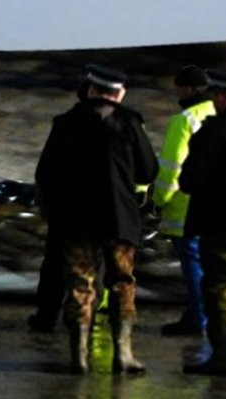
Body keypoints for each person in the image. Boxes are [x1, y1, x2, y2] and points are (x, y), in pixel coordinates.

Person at [35, 64, 157, 374]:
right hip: (119, 219)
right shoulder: (130, 123)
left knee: (80, 283)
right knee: (122, 282)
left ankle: (79, 357)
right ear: (119, 94)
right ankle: (123, 353)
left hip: (76, 220)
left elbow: (45, 173)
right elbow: (148, 170)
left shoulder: (65, 123)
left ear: (91, 90)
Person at [181, 70, 226, 376]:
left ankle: (221, 357)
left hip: (221, 222)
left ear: (222, 97)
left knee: (218, 286)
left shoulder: (212, 132)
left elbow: (189, 181)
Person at [155, 65, 216, 337]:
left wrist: (159, 199)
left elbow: (171, 167)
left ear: (188, 89)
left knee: (193, 266)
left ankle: (198, 317)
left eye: (179, 88)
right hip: (219, 206)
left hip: (185, 208)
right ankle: (206, 315)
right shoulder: (222, 113)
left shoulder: (184, 120)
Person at [28, 77, 91, 334]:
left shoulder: (64, 123)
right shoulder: (116, 124)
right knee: (89, 267)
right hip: (95, 210)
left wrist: (45, 201)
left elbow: (45, 169)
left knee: (54, 266)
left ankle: (46, 316)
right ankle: (81, 317)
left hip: (63, 208)